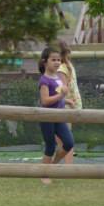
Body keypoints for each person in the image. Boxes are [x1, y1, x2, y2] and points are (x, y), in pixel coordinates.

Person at [38, 46, 75, 184]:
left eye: (59, 60)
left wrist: (66, 100)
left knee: (69, 142)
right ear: (45, 62)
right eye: (53, 60)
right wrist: (61, 95)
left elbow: (57, 96)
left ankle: (51, 167)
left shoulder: (57, 78)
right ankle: (44, 175)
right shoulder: (44, 80)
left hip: (59, 117)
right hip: (47, 117)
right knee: (50, 146)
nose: (57, 62)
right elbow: (45, 101)